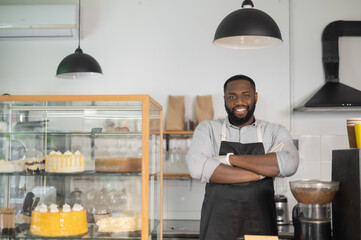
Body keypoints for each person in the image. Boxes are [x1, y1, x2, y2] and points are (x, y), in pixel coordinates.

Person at [186, 75, 299, 240]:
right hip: (217, 229)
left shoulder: (274, 131)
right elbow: (196, 167)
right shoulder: (208, 129)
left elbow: (289, 164)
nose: (239, 102)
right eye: (232, 97)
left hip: (261, 229)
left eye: (246, 95)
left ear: (255, 97)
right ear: (224, 99)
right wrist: (262, 173)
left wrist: (228, 160)